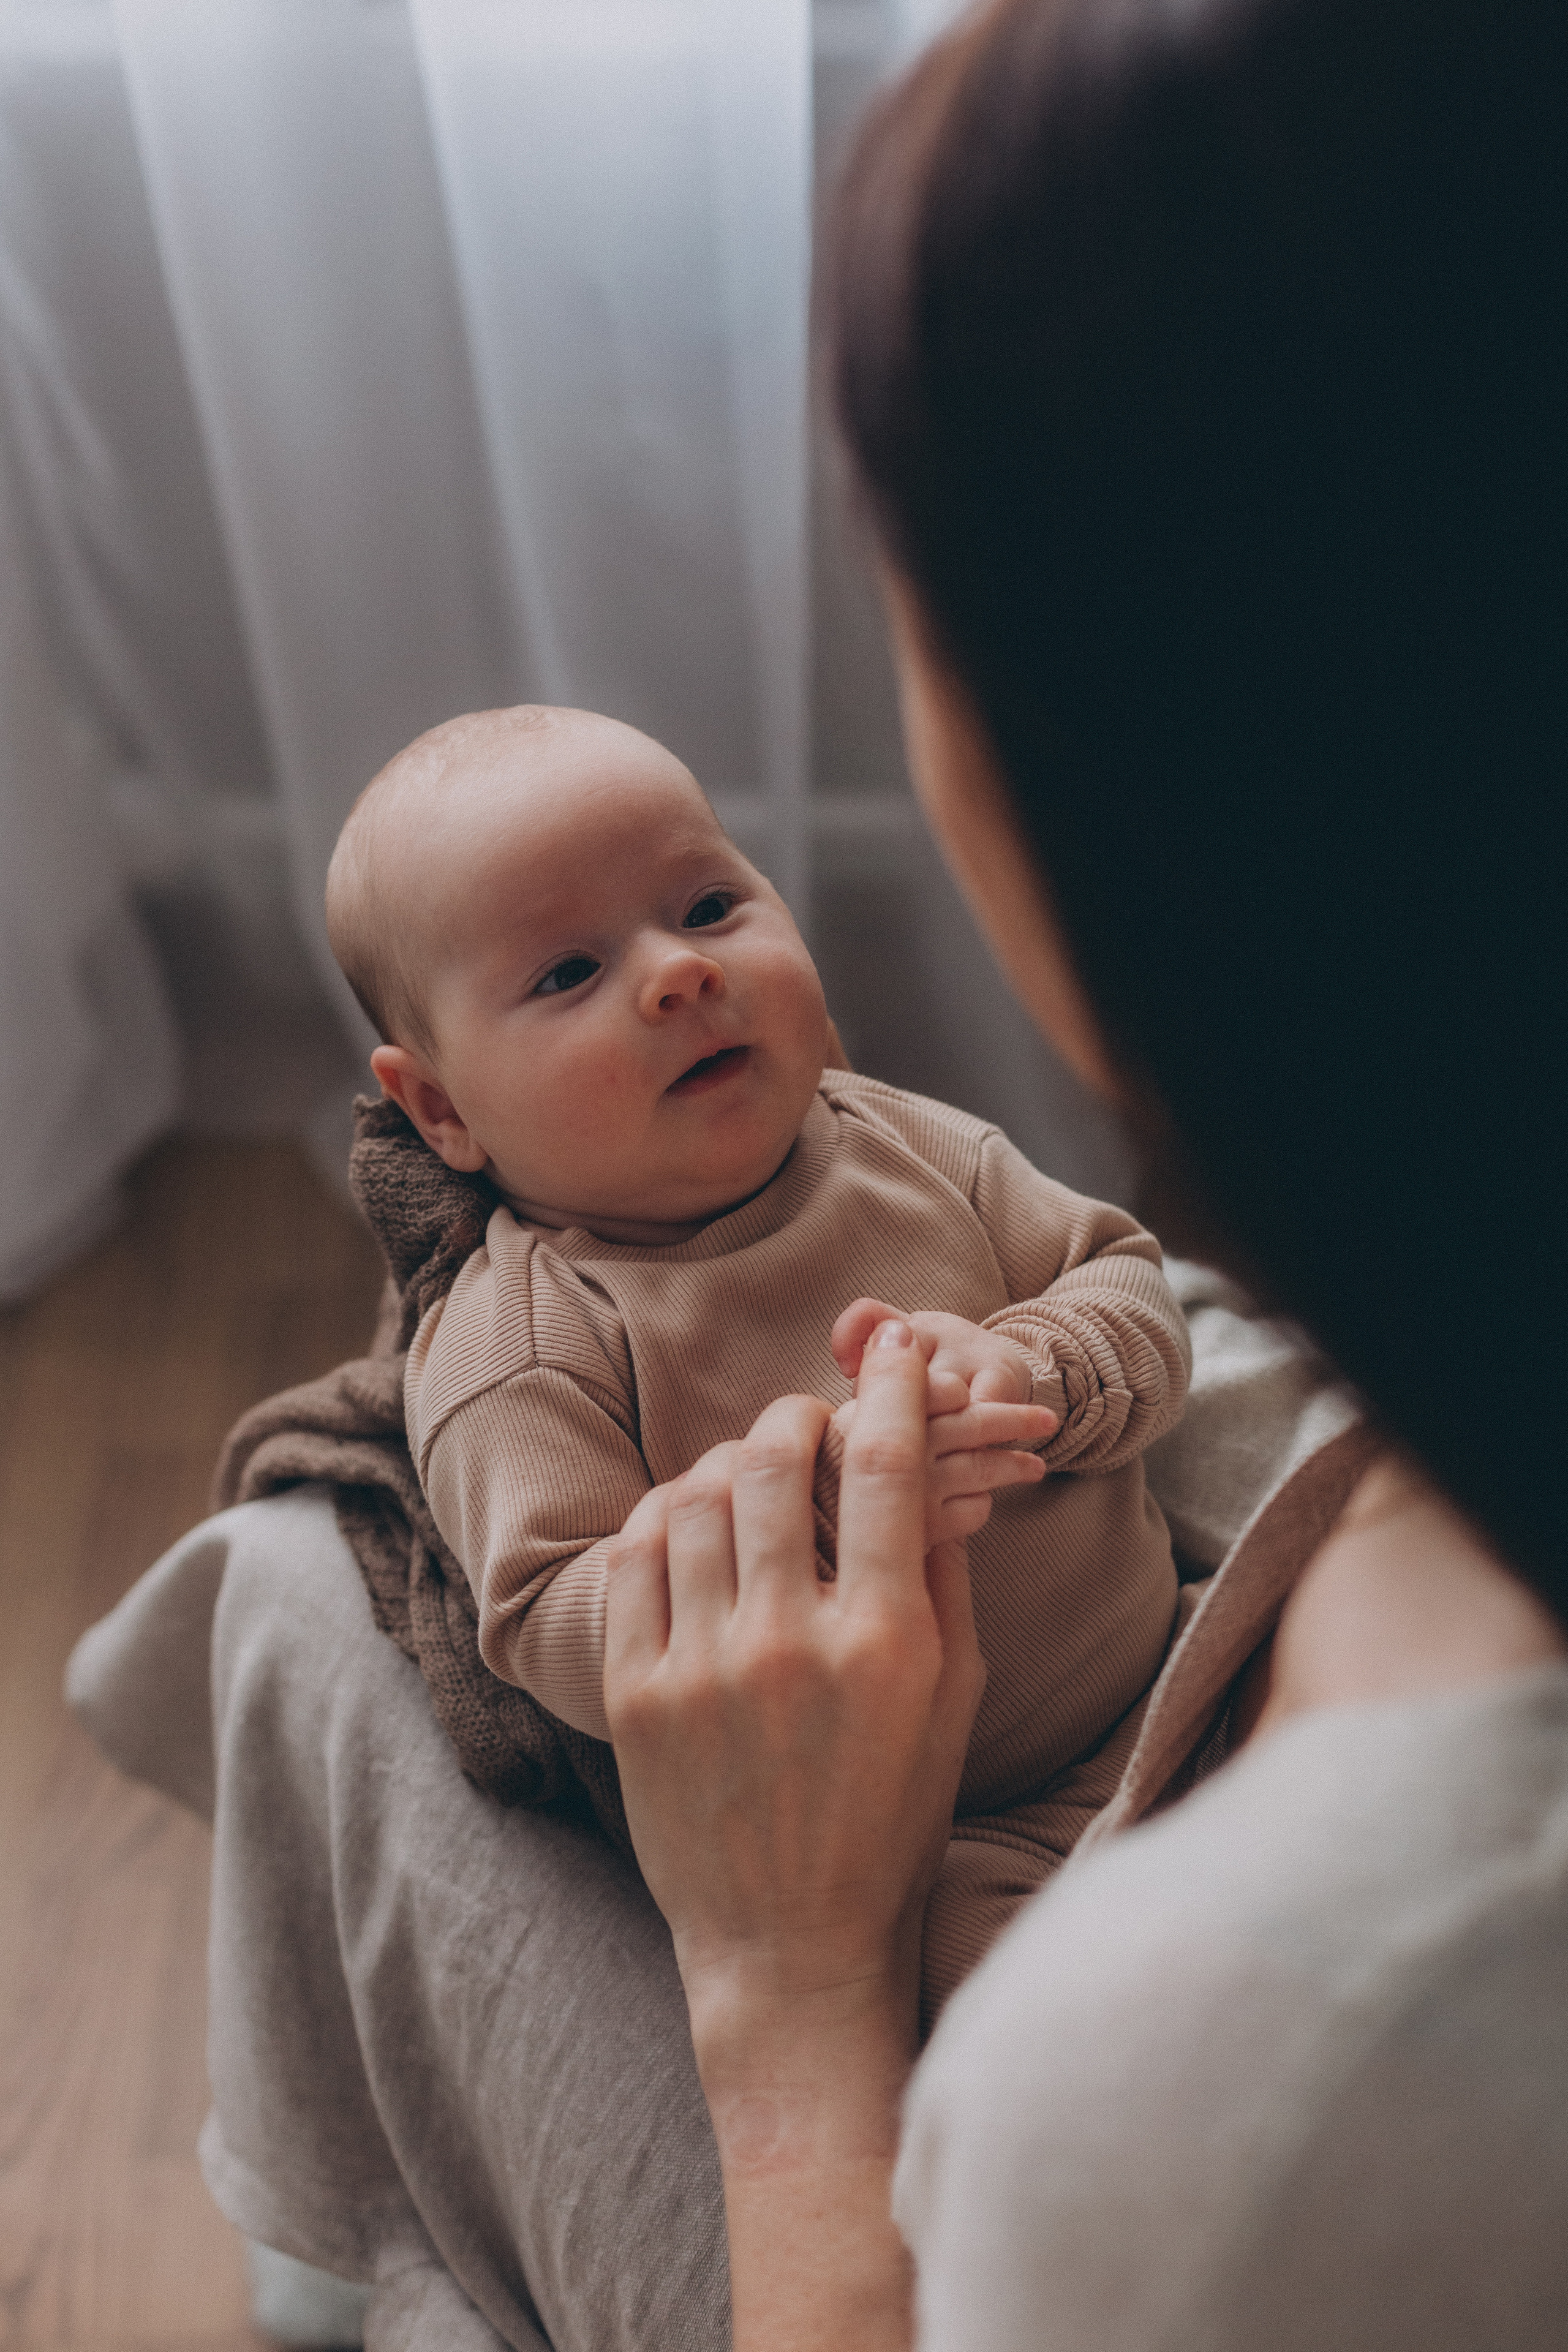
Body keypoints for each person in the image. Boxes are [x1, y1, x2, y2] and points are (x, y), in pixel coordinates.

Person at [593, 0, 1568, 2345]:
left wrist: (784, 2001)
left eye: (709, 899)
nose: (676, 977)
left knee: (305, 1640)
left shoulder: (1245, 2084)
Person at [320, 702, 1189, 2021]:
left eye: (709, 906)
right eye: (568, 973)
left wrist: (1038, 1372)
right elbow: (551, 1619)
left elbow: (1129, 1282)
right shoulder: (526, 1345)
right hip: (940, 1842)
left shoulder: (900, 1140)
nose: (678, 971)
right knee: (1025, 2023)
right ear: (441, 1109)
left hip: (1186, 1663)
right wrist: (813, 1521)